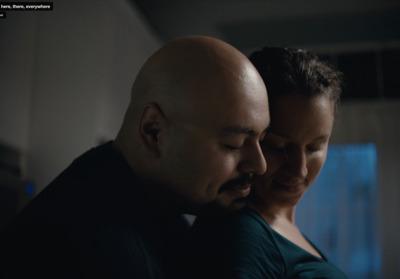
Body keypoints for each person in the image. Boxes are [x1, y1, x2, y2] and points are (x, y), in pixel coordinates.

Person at [0, 36, 270, 279]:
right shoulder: (96, 249)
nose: (260, 164)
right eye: (234, 144)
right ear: (154, 132)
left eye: (262, 139)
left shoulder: (157, 202)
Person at [189, 47, 349, 278]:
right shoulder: (242, 234)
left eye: (314, 147)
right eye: (279, 146)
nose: (300, 169)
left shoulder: (276, 229)